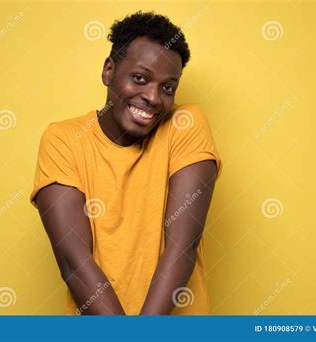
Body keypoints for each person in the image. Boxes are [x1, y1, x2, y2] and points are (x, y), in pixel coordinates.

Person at [29, 10, 222, 315]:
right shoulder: (63, 139)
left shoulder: (185, 123)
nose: (153, 97)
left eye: (167, 87)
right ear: (109, 71)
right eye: (140, 78)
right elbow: (74, 262)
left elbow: (181, 246)